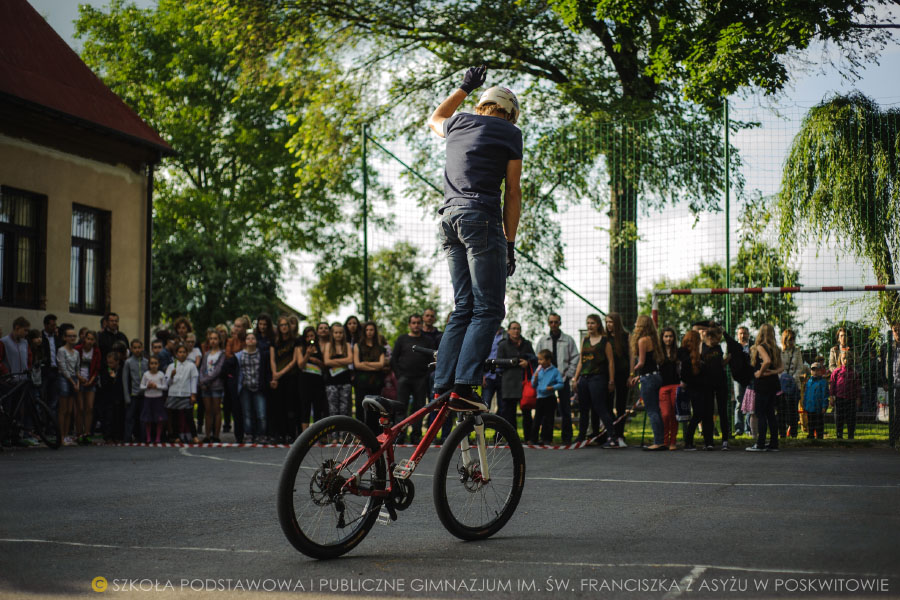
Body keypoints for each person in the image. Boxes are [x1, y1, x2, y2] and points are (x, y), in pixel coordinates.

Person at [427, 66, 523, 411]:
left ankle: (442, 385)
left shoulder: (458, 123)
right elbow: (513, 192)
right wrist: (509, 243)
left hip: (448, 220)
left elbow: (434, 119)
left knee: (463, 308)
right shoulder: (510, 133)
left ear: (482, 105)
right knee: (489, 308)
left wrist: (464, 87)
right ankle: (465, 385)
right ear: (510, 114)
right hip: (480, 218)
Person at [571, 314, 616, 447]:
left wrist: (611, 381)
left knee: (600, 407)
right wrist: (575, 379)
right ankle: (581, 437)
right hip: (584, 378)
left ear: (598, 325)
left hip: (598, 378)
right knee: (583, 409)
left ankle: (612, 436)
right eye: (588, 323)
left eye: (592, 323)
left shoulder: (605, 342)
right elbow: (581, 361)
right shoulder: (585, 340)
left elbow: (611, 362)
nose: (590, 326)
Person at [535, 313, 579, 444]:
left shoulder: (568, 340)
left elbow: (575, 358)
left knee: (565, 409)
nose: (553, 324)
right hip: (546, 381)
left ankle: (567, 437)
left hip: (563, 378)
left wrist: (569, 374)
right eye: (551, 322)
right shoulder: (543, 341)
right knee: (546, 410)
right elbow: (538, 359)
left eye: (556, 322)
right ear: (548, 323)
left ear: (560, 323)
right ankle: (546, 437)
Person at [390, 314, 433, 443]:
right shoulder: (402, 339)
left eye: (418, 323)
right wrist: (399, 375)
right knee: (400, 408)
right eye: (413, 323)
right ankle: (399, 436)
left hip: (420, 379)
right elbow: (393, 358)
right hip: (404, 378)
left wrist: (426, 376)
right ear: (409, 325)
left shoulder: (427, 341)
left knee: (419, 409)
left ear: (421, 324)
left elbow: (432, 359)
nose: (416, 325)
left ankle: (416, 436)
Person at [629, 315, 665, 451]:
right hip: (656, 376)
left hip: (648, 379)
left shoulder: (642, 340)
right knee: (657, 410)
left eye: (637, 323)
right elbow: (651, 362)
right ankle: (661, 439)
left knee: (652, 411)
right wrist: (640, 376)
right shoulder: (653, 339)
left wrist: (631, 372)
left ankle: (658, 441)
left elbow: (642, 362)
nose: (635, 325)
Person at [497, 322, 538, 440]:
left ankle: (529, 438)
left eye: (518, 328)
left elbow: (535, 359)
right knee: (510, 414)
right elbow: (499, 362)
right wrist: (514, 361)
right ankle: (513, 439)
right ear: (508, 331)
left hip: (524, 384)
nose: (516, 331)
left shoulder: (527, 344)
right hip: (509, 383)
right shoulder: (503, 345)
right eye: (514, 328)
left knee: (527, 412)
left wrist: (527, 363)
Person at [747, 323, 783, 452]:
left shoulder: (760, 347)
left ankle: (760, 443)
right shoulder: (776, 348)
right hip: (773, 384)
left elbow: (767, 361)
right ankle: (774, 443)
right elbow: (781, 368)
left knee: (760, 413)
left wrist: (760, 372)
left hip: (763, 384)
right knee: (770, 414)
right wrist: (772, 372)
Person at [680, 330, 711, 451]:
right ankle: (689, 441)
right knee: (699, 414)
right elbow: (686, 375)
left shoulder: (690, 354)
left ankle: (697, 441)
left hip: (697, 388)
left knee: (700, 414)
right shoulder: (690, 355)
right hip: (696, 388)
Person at [353, 321, 387, 433]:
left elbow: (381, 365)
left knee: (375, 409)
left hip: (376, 383)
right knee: (360, 408)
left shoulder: (380, 348)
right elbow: (357, 365)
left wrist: (365, 364)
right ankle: (359, 434)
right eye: (367, 330)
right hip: (361, 382)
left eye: (371, 330)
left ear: (375, 331)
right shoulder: (357, 346)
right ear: (364, 332)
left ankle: (374, 434)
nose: (369, 332)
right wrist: (374, 366)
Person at [700, 325, 730, 449]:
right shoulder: (702, 347)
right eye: (715, 338)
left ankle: (725, 440)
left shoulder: (718, 347)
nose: (716, 340)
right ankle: (709, 441)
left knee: (723, 411)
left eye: (718, 338)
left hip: (720, 382)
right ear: (708, 337)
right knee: (708, 411)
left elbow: (721, 363)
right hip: (707, 383)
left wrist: (728, 359)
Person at [236, 331, 268, 444]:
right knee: (247, 413)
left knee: (261, 414)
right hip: (245, 387)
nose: (250, 340)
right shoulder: (239, 355)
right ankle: (248, 434)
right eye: (248, 338)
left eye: (253, 338)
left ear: (256, 341)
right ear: (245, 341)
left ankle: (262, 435)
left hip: (258, 387)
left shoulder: (261, 355)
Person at [269, 316, 298, 443]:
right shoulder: (274, 342)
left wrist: (280, 373)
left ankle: (291, 434)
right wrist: (275, 375)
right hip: (277, 378)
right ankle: (279, 434)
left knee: (290, 407)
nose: (284, 327)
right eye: (281, 325)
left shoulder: (295, 341)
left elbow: (294, 360)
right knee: (278, 407)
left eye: (286, 324)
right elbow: (272, 359)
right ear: (278, 327)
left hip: (290, 377)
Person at [605, 313, 631, 447]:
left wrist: (631, 374)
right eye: (606, 322)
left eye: (611, 322)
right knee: (607, 405)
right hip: (608, 375)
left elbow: (631, 356)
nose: (608, 325)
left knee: (621, 405)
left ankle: (620, 435)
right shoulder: (605, 337)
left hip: (623, 374)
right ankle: (611, 434)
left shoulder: (626, 336)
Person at [165, 344, 198, 444]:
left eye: (184, 352)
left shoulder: (191, 366)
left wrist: (193, 394)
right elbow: (167, 383)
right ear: (176, 354)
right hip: (173, 393)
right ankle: (176, 436)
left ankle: (194, 436)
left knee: (189, 416)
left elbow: (194, 380)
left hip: (185, 394)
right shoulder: (171, 366)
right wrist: (171, 376)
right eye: (180, 352)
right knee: (174, 416)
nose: (182, 354)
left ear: (187, 354)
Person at [198, 328, 226, 443]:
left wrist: (205, 381)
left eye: (215, 338)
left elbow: (218, 370)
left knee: (217, 411)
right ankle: (207, 435)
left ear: (219, 340)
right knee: (208, 411)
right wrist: (202, 381)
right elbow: (202, 369)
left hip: (216, 385)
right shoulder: (206, 354)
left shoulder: (222, 354)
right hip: (205, 386)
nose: (213, 341)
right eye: (211, 339)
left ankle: (216, 435)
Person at [531, 349, 564, 445]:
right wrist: (535, 377)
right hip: (540, 398)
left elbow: (561, 384)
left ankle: (547, 439)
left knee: (549, 419)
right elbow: (533, 384)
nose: (539, 362)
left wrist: (552, 387)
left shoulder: (555, 371)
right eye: (538, 359)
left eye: (541, 359)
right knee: (537, 419)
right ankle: (533, 439)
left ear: (548, 360)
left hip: (550, 398)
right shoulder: (538, 370)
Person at [75, 331, 101, 444]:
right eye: (88, 338)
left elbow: (97, 368)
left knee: (89, 408)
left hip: (91, 382)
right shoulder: (77, 349)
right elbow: (73, 366)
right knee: (80, 408)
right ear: (84, 339)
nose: (90, 341)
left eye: (92, 339)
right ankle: (79, 433)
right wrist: (80, 378)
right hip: (79, 380)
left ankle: (87, 433)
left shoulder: (96, 351)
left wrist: (90, 381)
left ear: (95, 341)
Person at [56, 325, 80, 447]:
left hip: (74, 379)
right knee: (63, 410)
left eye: (74, 336)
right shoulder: (61, 350)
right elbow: (63, 368)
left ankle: (66, 435)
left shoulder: (76, 352)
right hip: (64, 379)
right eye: (70, 336)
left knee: (70, 411)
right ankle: (60, 436)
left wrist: (78, 382)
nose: (72, 338)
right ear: (64, 338)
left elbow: (77, 369)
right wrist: (72, 382)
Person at [324, 323, 353, 421]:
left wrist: (334, 361)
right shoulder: (328, 345)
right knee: (333, 410)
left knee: (344, 409)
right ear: (332, 334)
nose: (338, 335)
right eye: (336, 332)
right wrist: (343, 361)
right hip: (331, 383)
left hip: (345, 382)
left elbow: (350, 360)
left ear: (343, 334)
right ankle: (334, 431)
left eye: (340, 332)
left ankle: (343, 430)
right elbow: (327, 362)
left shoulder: (347, 345)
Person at [121, 339, 149, 443]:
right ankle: (127, 437)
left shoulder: (146, 362)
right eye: (135, 348)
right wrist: (126, 396)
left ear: (142, 348)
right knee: (130, 417)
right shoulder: (128, 362)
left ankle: (143, 437)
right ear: (131, 349)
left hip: (144, 394)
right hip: (133, 394)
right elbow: (125, 380)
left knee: (143, 417)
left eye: (139, 347)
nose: (137, 350)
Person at [779, 328, 804, 438]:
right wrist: (784, 377)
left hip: (794, 385)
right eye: (789, 339)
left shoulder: (797, 351)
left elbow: (800, 366)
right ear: (784, 340)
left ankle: (793, 433)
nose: (791, 341)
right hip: (782, 385)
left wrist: (793, 377)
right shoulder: (779, 351)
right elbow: (777, 366)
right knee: (782, 410)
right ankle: (782, 433)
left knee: (793, 410)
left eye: (793, 339)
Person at [830, 350, 861, 440]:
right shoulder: (836, 371)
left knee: (851, 418)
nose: (846, 360)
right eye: (844, 358)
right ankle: (839, 435)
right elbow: (832, 385)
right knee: (839, 417)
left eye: (848, 358)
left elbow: (857, 386)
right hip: (839, 398)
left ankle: (851, 435)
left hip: (851, 399)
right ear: (840, 359)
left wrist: (858, 398)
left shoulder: (854, 373)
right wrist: (831, 397)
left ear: (851, 359)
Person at [658, 327, 680, 450]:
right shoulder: (658, 353)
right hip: (663, 387)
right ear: (662, 338)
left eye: (670, 336)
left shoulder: (678, 352)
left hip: (676, 385)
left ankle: (673, 441)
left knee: (673, 415)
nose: (668, 339)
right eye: (666, 336)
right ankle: (665, 440)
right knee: (665, 414)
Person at [140, 356, 168, 444]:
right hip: (148, 399)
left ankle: (158, 437)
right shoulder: (146, 374)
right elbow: (141, 386)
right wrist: (147, 386)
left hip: (158, 399)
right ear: (149, 365)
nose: (154, 365)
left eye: (155, 363)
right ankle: (148, 437)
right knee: (148, 419)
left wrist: (157, 386)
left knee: (159, 419)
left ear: (158, 364)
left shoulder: (161, 374)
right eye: (152, 363)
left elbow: (165, 387)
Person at [100, 351, 125, 443]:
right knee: (108, 418)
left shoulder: (122, 370)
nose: (109, 365)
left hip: (119, 397)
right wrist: (111, 377)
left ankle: (118, 436)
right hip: (108, 398)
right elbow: (103, 384)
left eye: (111, 362)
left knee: (118, 417)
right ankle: (108, 437)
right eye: (108, 362)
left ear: (117, 361)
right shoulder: (106, 370)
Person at [882, 321, 900, 445]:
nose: (898, 332)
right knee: (895, 412)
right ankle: (895, 438)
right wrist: (885, 381)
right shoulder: (888, 347)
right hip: (893, 383)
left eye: (899, 329)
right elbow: (883, 365)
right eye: (895, 330)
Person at [733, 326, 752, 436]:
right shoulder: (735, 347)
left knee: (750, 402)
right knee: (739, 401)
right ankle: (738, 428)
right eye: (740, 333)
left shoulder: (752, 346)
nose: (743, 335)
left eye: (745, 333)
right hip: (738, 379)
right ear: (737, 335)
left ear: (748, 335)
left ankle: (748, 428)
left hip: (750, 377)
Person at [804, 362, 829, 439]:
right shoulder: (809, 382)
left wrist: (824, 406)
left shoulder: (823, 382)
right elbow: (806, 394)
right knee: (810, 423)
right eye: (813, 370)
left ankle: (820, 437)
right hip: (810, 407)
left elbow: (825, 395)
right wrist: (805, 404)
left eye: (817, 370)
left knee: (819, 424)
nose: (815, 372)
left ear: (821, 371)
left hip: (818, 408)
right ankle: (811, 436)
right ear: (811, 371)